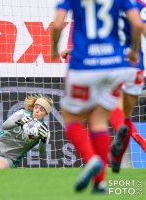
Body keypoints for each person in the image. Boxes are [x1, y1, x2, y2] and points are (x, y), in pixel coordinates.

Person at [52, 0, 142, 193]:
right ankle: (100, 183)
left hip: (83, 67)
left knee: (71, 116)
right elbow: (136, 24)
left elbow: (58, 24)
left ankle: (92, 158)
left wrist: (53, 49)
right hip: (114, 65)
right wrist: (135, 51)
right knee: (100, 119)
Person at [109, 1, 146, 173]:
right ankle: (138, 141)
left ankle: (112, 156)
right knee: (125, 113)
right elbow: (141, 27)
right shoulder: (138, 5)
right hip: (136, 66)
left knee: (115, 112)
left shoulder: (105, 7)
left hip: (112, 64)